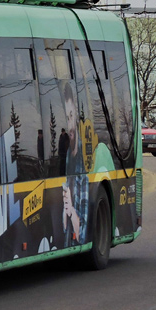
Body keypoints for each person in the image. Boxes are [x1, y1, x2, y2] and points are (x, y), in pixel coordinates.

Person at [59, 84, 89, 248]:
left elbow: (82, 234)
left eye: (71, 116)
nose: (70, 124)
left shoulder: (83, 164)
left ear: (77, 116)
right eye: (67, 117)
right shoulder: (67, 157)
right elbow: (62, 230)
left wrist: (70, 210)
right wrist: (66, 211)